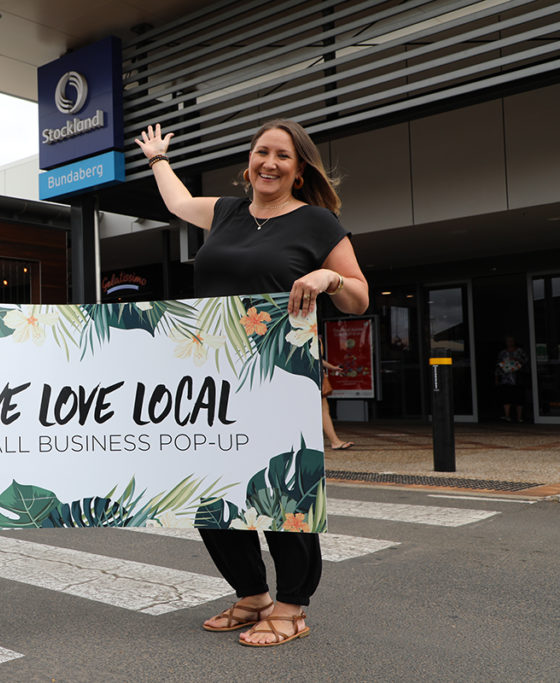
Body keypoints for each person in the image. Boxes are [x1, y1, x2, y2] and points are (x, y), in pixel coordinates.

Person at [135, 120, 369, 647]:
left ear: (299, 168)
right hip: (209, 380)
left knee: (282, 491)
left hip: (278, 381)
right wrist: (157, 160)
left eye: (282, 156)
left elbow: (359, 295)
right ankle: (252, 595)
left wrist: (328, 278)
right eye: (262, 152)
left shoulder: (317, 223)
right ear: (249, 161)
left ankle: (291, 606)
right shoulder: (225, 212)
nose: (270, 162)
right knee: (211, 493)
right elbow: (176, 203)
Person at [320, 336, 353, 450]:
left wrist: (332, 368)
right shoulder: (309, 333)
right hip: (311, 376)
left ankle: (335, 440)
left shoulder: (307, 333)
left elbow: (318, 359)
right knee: (323, 410)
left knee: (323, 409)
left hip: (312, 375)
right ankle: (334, 441)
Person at [495, 335, 529, 422]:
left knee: (519, 397)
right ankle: (507, 416)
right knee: (506, 397)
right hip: (506, 378)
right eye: (508, 341)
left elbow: (526, 361)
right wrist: (497, 378)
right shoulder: (503, 353)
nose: (510, 342)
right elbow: (498, 366)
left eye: (511, 340)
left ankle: (519, 417)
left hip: (518, 378)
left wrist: (516, 359)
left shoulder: (520, 351)